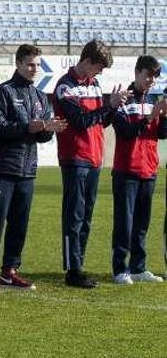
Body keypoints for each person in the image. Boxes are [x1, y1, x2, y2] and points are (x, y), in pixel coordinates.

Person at [0, 44, 67, 291]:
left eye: (38, 65)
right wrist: (30, 127)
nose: (34, 69)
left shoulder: (39, 96)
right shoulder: (4, 92)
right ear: (18, 63)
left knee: (20, 223)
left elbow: (41, 136)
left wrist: (47, 129)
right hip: (4, 168)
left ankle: (10, 270)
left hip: (28, 170)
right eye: (30, 64)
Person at [54, 40, 127, 289]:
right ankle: (72, 269)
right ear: (87, 61)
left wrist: (113, 109)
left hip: (94, 158)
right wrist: (109, 106)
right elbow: (80, 121)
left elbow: (99, 122)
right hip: (75, 158)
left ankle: (79, 264)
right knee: (73, 216)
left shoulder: (94, 85)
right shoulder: (65, 87)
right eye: (99, 67)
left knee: (86, 217)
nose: (100, 73)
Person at [110, 55, 167, 285]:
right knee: (124, 223)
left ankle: (138, 267)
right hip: (126, 171)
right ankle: (119, 269)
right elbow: (126, 132)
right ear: (137, 73)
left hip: (149, 170)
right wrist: (150, 117)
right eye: (148, 75)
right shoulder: (124, 99)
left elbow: (161, 134)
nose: (151, 81)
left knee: (142, 224)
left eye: (154, 77)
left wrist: (163, 117)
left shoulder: (154, 100)